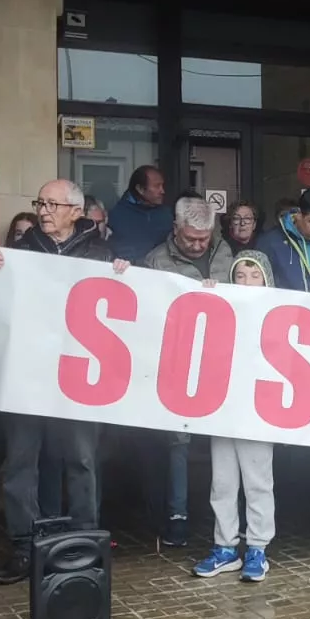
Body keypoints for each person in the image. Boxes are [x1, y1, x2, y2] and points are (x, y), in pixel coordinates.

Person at [0, 180, 112, 584]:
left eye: (53, 204)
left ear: (76, 211)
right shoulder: (18, 254)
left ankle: (86, 542)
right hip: (27, 375)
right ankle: (23, 544)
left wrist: (121, 275)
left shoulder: (100, 254)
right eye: (40, 202)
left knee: (81, 460)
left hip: (75, 376)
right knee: (21, 461)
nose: (44, 210)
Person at [131, 197, 236, 547]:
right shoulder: (154, 261)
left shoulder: (227, 254)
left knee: (226, 440)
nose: (196, 245)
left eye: (203, 239)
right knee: (178, 441)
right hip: (177, 361)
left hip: (223, 360)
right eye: (190, 238)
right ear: (175, 229)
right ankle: (177, 515)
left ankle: (226, 519)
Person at [191, 251, 280, 583]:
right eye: (239, 276)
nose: (245, 282)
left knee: (258, 482)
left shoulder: (276, 313)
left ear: (266, 279)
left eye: (253, 275)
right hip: (225, 407)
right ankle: (225, 547)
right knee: (223, 482)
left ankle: (257, 547)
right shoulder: (224, 310)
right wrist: (208, 294)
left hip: (257, 410)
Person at [107, 164, 171, 262]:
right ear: (140, 189)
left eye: (162, 185)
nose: (162, 191)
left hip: (162, 272)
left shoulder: (166, 214)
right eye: (157, 186)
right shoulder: (117, 216)